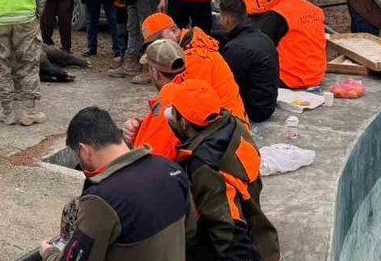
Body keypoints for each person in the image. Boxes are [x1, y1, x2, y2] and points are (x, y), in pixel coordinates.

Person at [40, 106, 191, 261]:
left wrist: (49, 253)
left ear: (84, 151)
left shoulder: (101, 199)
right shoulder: (171, 169)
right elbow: (190, 231)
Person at [160, 79, 281, 261]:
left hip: (246, 248)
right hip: (260, 232)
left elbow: (229, 230)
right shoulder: (231, 124)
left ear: (184, 123)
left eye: (174, 112)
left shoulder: (205, 165)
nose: (170, 116)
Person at [140, 13, 247, 123]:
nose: (157, 48)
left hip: (228, 129)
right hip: (222, 124)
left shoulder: (195, 58)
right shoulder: (186, 51)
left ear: (174, 30)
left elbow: (195, 110)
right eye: (152, 45)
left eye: (159, 40)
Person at [215, 0, 279, 123]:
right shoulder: (262, 37)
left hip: (253, 111)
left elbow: (226, 84)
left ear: (226, 19)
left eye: (220, 17)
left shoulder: (236, 48)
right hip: (267, 103)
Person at [258, 0, 327, 91]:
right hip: (317, 76)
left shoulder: (276, 15)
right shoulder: (314, 10)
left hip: (289, 79)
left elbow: (260, 49)